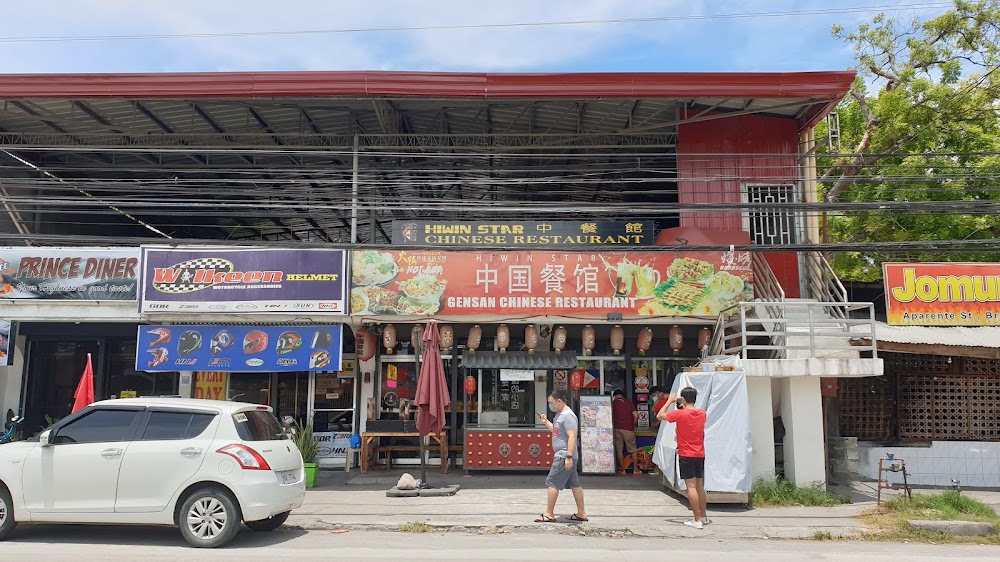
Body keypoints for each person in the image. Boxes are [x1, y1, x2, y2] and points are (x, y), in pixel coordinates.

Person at [657, 386, 709, 530]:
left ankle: (696, 519)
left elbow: (660, 416)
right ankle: (703, 516)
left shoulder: (680, 414)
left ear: (683, 399)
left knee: (690, 487)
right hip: (700, 453)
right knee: (699, 486)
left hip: (686, 453)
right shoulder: (702, 413)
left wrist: (669, 401)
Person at [535, 390, 587, 523]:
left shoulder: (568, 416)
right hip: (566, 455)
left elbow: (572, 436)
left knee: (552, 482)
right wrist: (546, 421)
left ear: (559, 401)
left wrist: (568, 457)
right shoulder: (559, 415)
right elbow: (557, 432)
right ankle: (581, 513)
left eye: (551, 403)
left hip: (564, 455)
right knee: (575, 484)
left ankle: (549, 513)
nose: (550, 406)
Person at [611, 390, 641, 475]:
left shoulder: (612, 404)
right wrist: (633, 424)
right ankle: (636, 470)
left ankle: (622, 470)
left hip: (616, 429)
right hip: (628, 429)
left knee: (619, 450)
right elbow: (636, 416)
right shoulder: (629, 403)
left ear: (615, 396)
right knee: (633, 450)